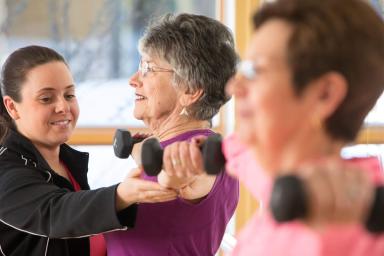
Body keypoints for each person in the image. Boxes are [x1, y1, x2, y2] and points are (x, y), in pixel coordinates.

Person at [221, 0, 384, 255]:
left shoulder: (358, 229)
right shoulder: (280, 179)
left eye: (256, 70)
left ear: (325, 95)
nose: (234, 87)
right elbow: (235, 151)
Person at [0, 45, 177, 256]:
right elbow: (57, 214)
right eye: (46, 98)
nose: (63, 107)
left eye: (69, 95)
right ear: (12, 107)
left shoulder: (65, 161)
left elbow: (86, 226)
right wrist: (122, 194)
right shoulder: (6, 172)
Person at [105, 13, 239, 256]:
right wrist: (141, 149)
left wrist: (164, 168)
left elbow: (180, 173)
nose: (133, 80)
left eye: (148, 68)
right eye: (139, 66)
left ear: (189, 91)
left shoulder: (199, 155)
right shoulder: (196, 146)